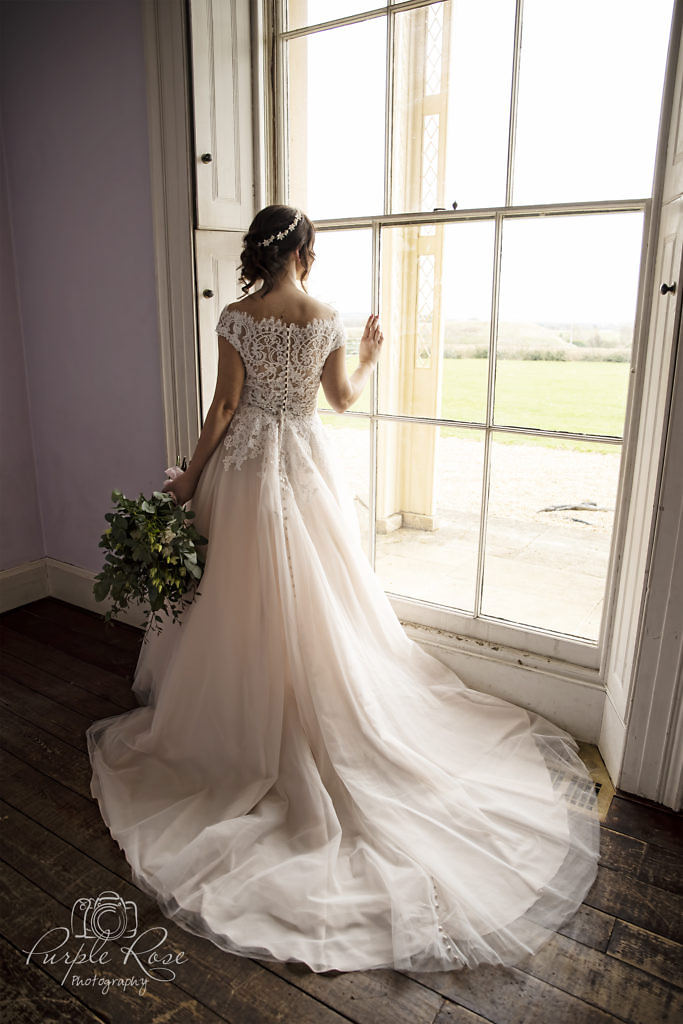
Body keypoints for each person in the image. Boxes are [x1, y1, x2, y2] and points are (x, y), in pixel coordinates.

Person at [86, 204, 600, 975]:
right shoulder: (323, 315)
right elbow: (342, 402)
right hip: (304, 467)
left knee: (238, 601)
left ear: (261, 253)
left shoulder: (235, 316)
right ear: (305, 251)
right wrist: (367, 354)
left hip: (248, 470)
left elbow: (226, 407)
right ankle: (308, 711)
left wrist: (191, 477)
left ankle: (240, 717)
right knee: (316, 603)